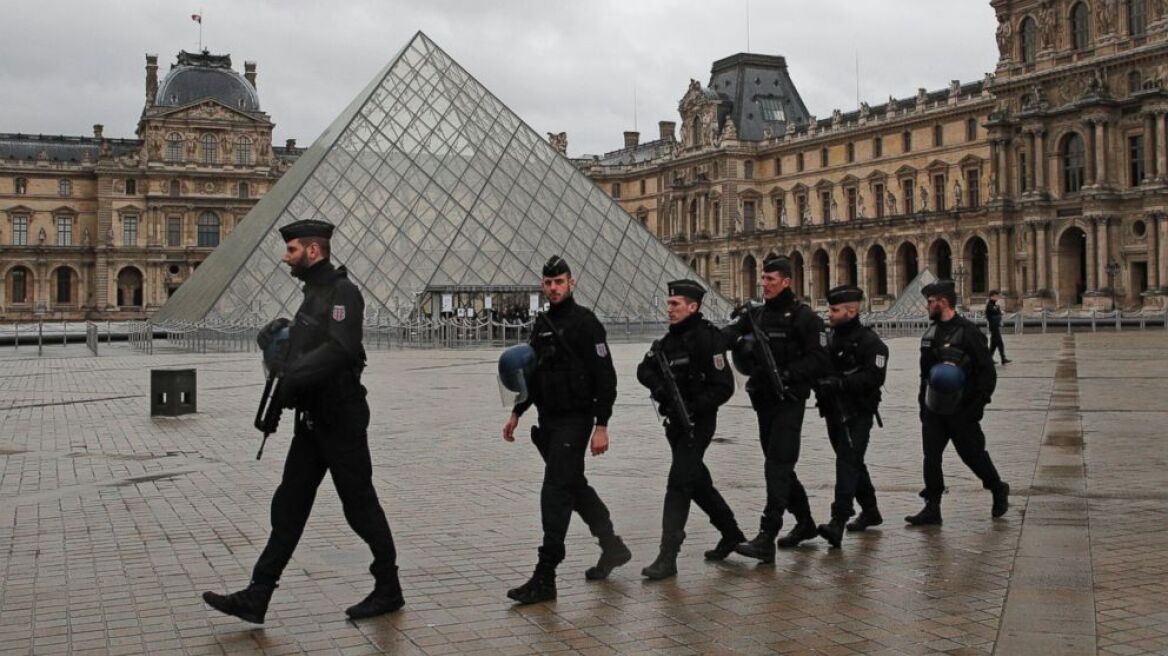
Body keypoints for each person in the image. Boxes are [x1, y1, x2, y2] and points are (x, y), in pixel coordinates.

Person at [203, 219, 403, 623]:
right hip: (312, 420)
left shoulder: (342, 291)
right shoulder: (313, 293)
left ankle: (388, 587)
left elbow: (342, 349)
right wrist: (282, 341)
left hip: (341, 419)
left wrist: (294, 374)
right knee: (288, 506)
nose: (285, 256)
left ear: (314, 251)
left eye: (292, 249)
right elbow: (311, 344)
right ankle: (258, 594)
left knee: (360, 507)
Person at [501, 255, 630, 605]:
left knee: (555, 491)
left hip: (576, 419)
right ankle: (613, 547)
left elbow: (606, 377)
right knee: (574, 486)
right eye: (548, 283)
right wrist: (517, 412)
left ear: (571, 283)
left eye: (559, 282)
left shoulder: (586, 323)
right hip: (550, 419)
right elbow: (534, 374)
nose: (554, 288)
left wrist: (601, 425)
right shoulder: (541, 323)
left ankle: (546, 576)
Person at [723, 255, 831, 562]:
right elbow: (729, 333)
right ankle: (806, 523)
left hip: (790, 399)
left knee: (777, 466)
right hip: (764, 401)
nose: (764, 284)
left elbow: (820, 359)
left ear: (786, 281)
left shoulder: (805, 318)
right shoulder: (755, 315)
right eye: (763, 278)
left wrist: (788, 374)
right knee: (779, 463)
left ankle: (766, 536)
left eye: (771, 279)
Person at [635, 279, 745, 580]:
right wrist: (660, 388)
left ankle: (667, 556)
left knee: (679, 484)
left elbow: (724, 387)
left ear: (693, 307)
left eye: (675, 304)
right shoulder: (667, 343)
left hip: (698, 423)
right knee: (696, 481)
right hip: (674, 423)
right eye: (669, 303)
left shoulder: (709, 340)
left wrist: (694, 405)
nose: (669, 309)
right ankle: (732, 533)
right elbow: (643, 370)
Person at [907, 280, 1010, 526]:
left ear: (943, 301)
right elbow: (925, 375)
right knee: (931, 456)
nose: (927, 306)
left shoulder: (968, 332)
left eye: (930, 302)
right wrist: (923, 406)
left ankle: (997, 487)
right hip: (934, 409)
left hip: (962, 409)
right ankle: (932, 507)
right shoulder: (930, 334)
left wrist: (978, 405)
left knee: (972, 455)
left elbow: (987, 372)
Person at [813, 285, 888, 548]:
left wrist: (840, 384)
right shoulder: (829, 337)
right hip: (833, 410)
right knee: (852, 461)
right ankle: (870, 510)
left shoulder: (871, 343)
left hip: (858, 412)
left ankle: (838, 521)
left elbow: (874, 377)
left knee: (847, 461)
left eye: (834, 310)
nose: (828, 313)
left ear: (851, 311)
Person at [985, 290, 1010, 365]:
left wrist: (999, 313)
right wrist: (999, 313)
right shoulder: (989, 305)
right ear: (992, 296)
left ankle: (990, 359)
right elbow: (995, 315)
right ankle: (1003, 359)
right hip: (994, 327)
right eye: (996, 296)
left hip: (995, 327)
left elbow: (998, 313)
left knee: (994, 344)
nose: (997, 297)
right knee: (999, 343)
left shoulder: (994, 305)